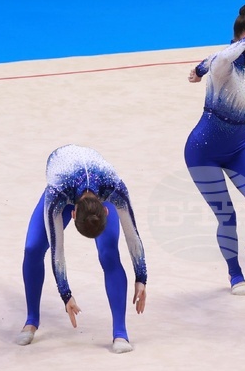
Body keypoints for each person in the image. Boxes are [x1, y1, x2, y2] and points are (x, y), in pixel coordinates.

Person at [16, 144, 147, 353]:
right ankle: (31, 319)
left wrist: (141, 278)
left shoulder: (115, 187)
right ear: (73, 214)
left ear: (106, 209)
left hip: (96, 181)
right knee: (33, 248)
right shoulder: (56, 193)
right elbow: (57, 250)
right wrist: (66, 294)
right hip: (63, 179)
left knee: (109, 253)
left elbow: (133, 235)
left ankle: (120, 333)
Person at [185, 3, 245, 295]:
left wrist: (198, 70)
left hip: (239, 148)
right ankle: (235, 274)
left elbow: (211, 59)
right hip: (203, 152)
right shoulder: (226, 63)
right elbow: (222, 56)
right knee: (228, 216)